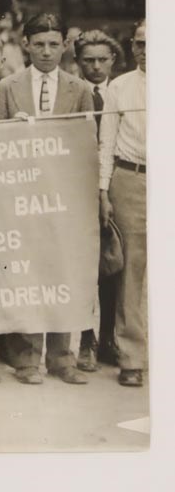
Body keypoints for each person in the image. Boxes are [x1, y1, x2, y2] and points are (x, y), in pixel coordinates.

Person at [0, 12, 94, 386]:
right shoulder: (8, 87)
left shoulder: (79, 89)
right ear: (26, 45)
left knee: (62, 273)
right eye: (39, 44)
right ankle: (27, 356)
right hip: (22, 197)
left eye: (54, 44)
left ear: (65, 46)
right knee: (29, 275)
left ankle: (62, 357)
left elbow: (88, 147)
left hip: (64, 198)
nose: (47, 52)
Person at [98, 20, 146, 387]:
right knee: (130, 272)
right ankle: (131, 356)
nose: (146, 50)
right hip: (131, 179)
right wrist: (103, 191)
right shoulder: (119, 87)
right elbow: (107, 143)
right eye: (140, 44)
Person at [74, 29, 125, 371]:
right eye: (88, 60)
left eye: (102, 60)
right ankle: (84, 339)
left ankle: (108, 337)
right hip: (75, 183)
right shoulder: (73, 92)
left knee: (112, 264)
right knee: (79, 265)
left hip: (111, 185)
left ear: (113, 61)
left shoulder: (120, 93)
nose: (95, 67)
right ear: (78, 61)